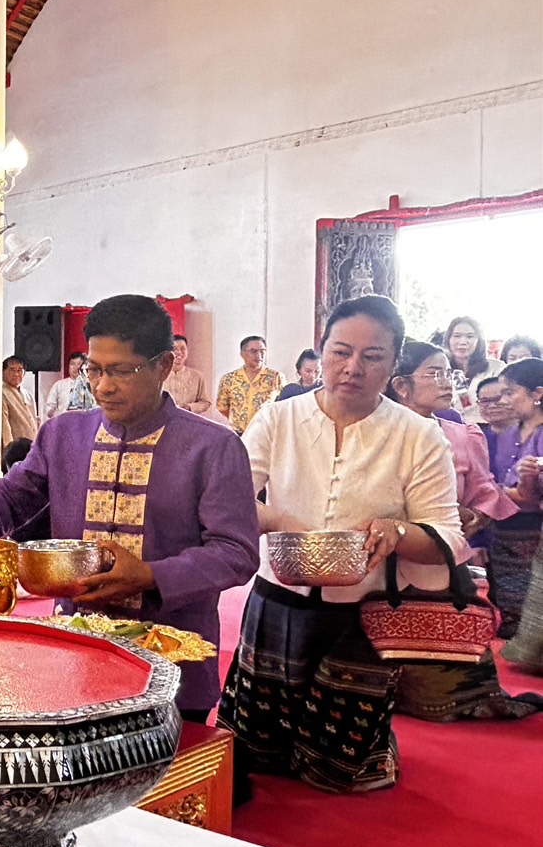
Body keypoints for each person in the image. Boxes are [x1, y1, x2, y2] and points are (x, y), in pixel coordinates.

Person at [0, 295, 260, 720]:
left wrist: (151, 576)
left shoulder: (214, 447)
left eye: (121, 371)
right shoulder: (63, 435)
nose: (102, 386)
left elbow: (236, 553)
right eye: (94, 369)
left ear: (164, 366)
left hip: (173, 664)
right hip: (77, 654)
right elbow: (17, 491)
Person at [217, 295, 464, 793]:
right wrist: (278, 518)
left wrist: (397, 534)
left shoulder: (418, 436)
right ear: (320, 351)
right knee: (254, 757)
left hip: (364, 608)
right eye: (339, 352)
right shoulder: (278, 418)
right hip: (279, 597)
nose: (352, 368)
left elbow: (448, 537)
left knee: (340, 772)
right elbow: (224, 501)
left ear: (394, 365)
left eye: (372, 357)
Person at [385, 340, 539, 720]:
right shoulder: (380, 432)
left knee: (451, 632)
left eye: (448, 373)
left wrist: (477, 516)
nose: (446, 382)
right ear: (401, 385)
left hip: (442, 552)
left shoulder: (460, 434)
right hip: (388, 553)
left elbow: (485, 490)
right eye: (434, 374)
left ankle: (444, 696)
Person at [486, 358, 543, 639]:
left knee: (529, 610)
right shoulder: (507, 433)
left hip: (533, 532)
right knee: (507, 607)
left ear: (537, 394)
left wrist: (495, 491)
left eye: (510, 392)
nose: (503, 400)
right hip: (504, 529)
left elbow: (532, 499)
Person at [216, 335, 284, 435]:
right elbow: (223, 407)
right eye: (253, 351)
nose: (259, 355)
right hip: (238, 434)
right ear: (242, 354)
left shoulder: (276, 377)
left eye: (262, 351)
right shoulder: (229, 379)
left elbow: (283, 406)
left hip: (266, 433)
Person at [443, 315, 501, 423]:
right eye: (457, 336)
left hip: (488, 429)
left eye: (470, 337)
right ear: (448, 339)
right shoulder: (441, 371)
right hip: (449, 430)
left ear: (479, 341)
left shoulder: (496, 368)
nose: (463, 341)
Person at [161, 337, 212, 414]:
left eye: (182, 349)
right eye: (174, 349)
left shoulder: (197, 376)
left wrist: (190, 407)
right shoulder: (159, 376)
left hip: (189, 420)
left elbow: (205, 402)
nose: (179, 352)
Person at [1, 355, 39, 451]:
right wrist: (9, 449)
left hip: (31, 446)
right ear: (3, 372)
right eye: (12, 370)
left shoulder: (28, 394)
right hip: (14, 448)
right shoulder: (2, 392)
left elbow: (34, 419)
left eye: (19, 370)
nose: (16, 374)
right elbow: (4, 423)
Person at [46, 353, 98, 418]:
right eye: (72, 364)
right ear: (68, 366)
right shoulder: (58, 385)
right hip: (64, 423)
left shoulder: (90, 386)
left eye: (79, 364)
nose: (75, 367)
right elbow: (49, 408)